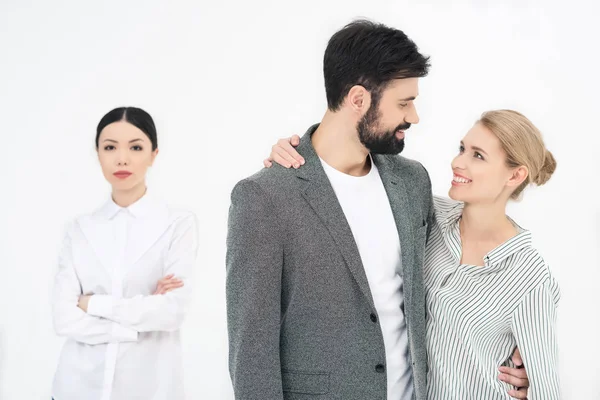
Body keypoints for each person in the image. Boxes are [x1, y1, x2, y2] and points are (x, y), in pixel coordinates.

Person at [226, 20, 528, 400]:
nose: (414, 117)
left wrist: (515, 347)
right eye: (404, 103)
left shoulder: (412, 182)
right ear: (357, 99)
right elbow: (250, 353)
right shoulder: (265, 198)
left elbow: (468, 252)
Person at [265, 110, 560, 398]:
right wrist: (298, 162)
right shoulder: (426, 215)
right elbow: (358, 191)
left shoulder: (529, 275)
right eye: (462, 149)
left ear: (516, 175)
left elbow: (546, 388)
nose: (458, 162)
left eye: (478, 155)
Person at [51, 107, 198, 400]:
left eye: (136, 147)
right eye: (110, 147)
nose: (122, 158)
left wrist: (91, 303)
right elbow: (64, 319)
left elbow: (172, 313)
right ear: (97, 153)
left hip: (149, 389)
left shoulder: (177, 225)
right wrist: (139, 322)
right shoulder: (79, 230)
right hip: (76, 388)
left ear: (154, 154)